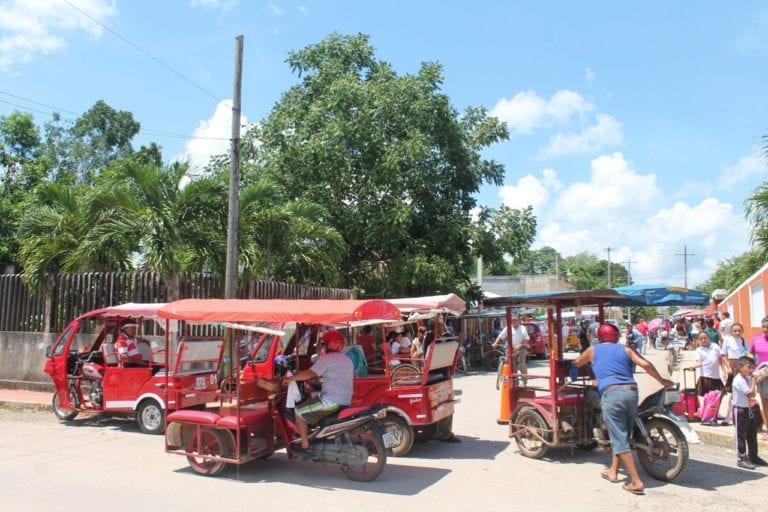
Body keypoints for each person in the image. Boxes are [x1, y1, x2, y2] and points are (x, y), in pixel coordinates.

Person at [573, 323, 673, 495]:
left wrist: (571, 363)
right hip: (632, 392)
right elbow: (646, 365)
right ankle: (613, 471)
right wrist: (662, 380)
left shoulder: (592, 350)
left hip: (612, 395)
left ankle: (635, 481)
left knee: (619, 438)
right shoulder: (626, 349)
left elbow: (578, 362)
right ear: (616, 336)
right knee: (622, 435)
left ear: (599, 336)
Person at [282, 330, 353, 454]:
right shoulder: (346, 359)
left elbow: (310, 373)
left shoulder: (327, 359)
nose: (322, 347)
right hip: (345, 399)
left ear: (328, 345)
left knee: (299, 412)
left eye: (323, 344)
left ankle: (305, 446)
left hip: (331, 400)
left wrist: (291, 379)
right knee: (312, 402)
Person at [731, 356, 766, 469]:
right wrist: (754, 381)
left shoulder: (747, 378)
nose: (751, 370)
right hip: (740, 409)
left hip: (748, 409)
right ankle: (741, 458)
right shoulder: (739, 380)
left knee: (752, 434)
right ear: (740, 368)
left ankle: (753, 456)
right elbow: (750, 394)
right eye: (748, 367)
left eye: (752, 367)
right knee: (741, 435)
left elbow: (753, 393)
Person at [492, 314, 529, 385]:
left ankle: (524, 381)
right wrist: (495, 343)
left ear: (518, 320)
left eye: (515, 320)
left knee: (521, 364)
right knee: (512, 366)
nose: (513, 321)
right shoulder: (508, 328)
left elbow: (526, 339)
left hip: (521, 348)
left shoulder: (522, 328)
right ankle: (516, 383)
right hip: (511, 349)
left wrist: (520, 345)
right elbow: (500, 336)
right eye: (512, 320)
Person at [747, 316, 768, 439]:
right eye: (763, 327)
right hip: (762, 376)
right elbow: (750, 352)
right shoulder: (756, 339)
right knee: (765, 403)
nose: (765, 330)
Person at [687, 331, 725, 398]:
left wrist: (724, 371)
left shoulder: (715, 346)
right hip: (705, 378)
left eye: (705, 338)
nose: (703, 340)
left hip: (716, 377)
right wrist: (692, 367)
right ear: (698, 340)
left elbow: (720, 359)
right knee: (707, 399)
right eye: (701, 338)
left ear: (709, 338)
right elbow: (699, 363)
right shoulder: (698, 350)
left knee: (717, 399)